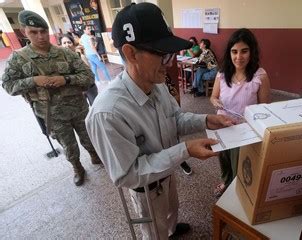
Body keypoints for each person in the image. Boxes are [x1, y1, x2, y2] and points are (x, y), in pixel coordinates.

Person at [85, 3, 235, 239]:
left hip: (167, 173)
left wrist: (206, 120)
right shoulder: (108, 113)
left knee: (171, 213)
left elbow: (175, 119)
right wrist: (184, 150)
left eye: (170, 53)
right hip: (145, 188)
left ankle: (172, 229)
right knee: (154, 231)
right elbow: (128, 174)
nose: (170, 62)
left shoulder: (157, 86)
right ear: (131, 53)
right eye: (162, 54)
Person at [1, 10, 102, 187]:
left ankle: (95, 156)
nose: (40, 36)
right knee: (68, 146)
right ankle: (78, 168)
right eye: (34, 32)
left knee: (90, 136)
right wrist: (33, 81)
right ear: (25, 32)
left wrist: (66, 79)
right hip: (52, 114)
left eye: (43, 31)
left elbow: (88, 77)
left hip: (78, 108)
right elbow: (8, 86)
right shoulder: (18, 59)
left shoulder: (65, 53)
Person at [210, 28, 271, 198]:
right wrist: (216, 102)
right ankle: (226, 181)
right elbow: (213, 97)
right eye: (234, 52)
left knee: (240, 161)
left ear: (252, 52)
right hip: (223, 124)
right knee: (224, 157)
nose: (239, 57)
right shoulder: (222, 74)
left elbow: (264, 108)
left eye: (244, 51)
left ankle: (237, 187)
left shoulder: (260, 76)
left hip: (245, 129)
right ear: (229, 52)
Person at [60, 34, 98, 105]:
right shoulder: (61, 61)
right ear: (61, 45)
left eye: (69, 42)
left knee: (95, 108)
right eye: (64, 43)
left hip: (89, 88)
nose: (67, 45)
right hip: (75, 91)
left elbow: (89, 74)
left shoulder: (81, 57)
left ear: (73, 44)